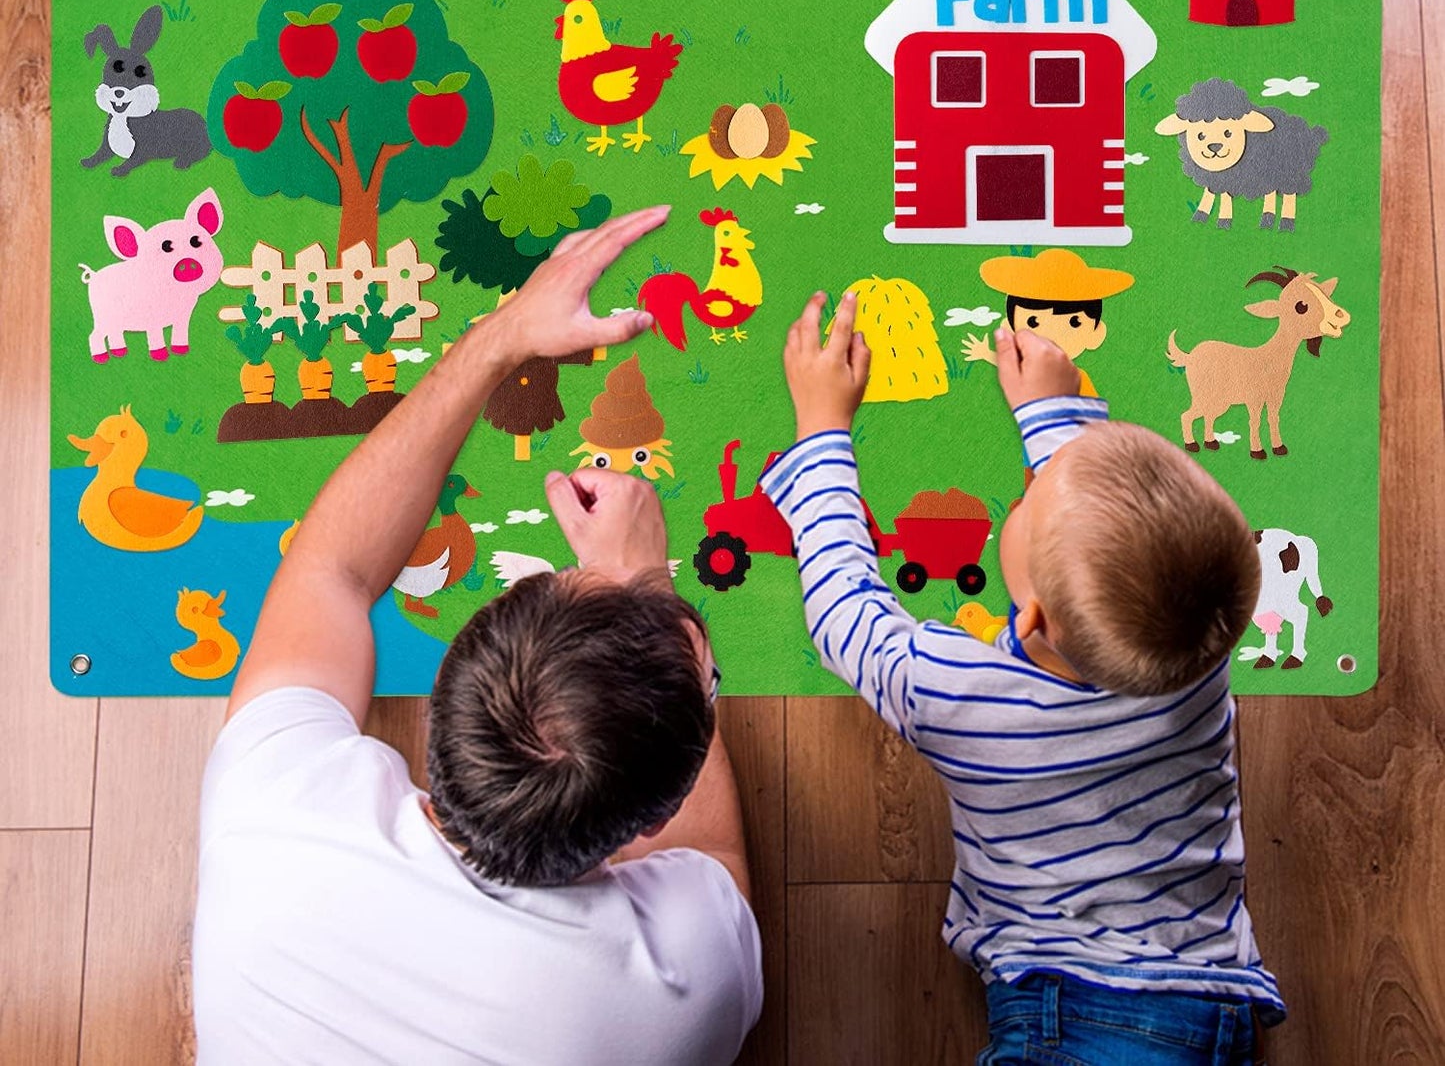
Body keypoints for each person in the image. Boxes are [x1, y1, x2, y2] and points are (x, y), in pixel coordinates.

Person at [192, 206, 762, 1066]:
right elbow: (710, 855)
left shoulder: (275, 810)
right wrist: (647, 589)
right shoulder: (681, 991)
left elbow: (330, 569)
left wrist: (502, 338)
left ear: (444, 711)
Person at [765, 289, 1283, 1066]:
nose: (1027, 487)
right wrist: (1053, 412)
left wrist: (821, 428)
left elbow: (845, 610)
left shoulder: (952, 693)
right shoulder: (1199, 652)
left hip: (1071, 1014)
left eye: (1026, 500)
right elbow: (1123, 545)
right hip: (1210, 986)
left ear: (1033, 612)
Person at [961, 247, 1135, 397]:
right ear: (1010, 328)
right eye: (1033, 322)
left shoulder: (1077, 379)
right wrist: (985, 353)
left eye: (1075, 322)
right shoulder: (1028, 372)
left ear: (1096, 333)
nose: (1052, 336)